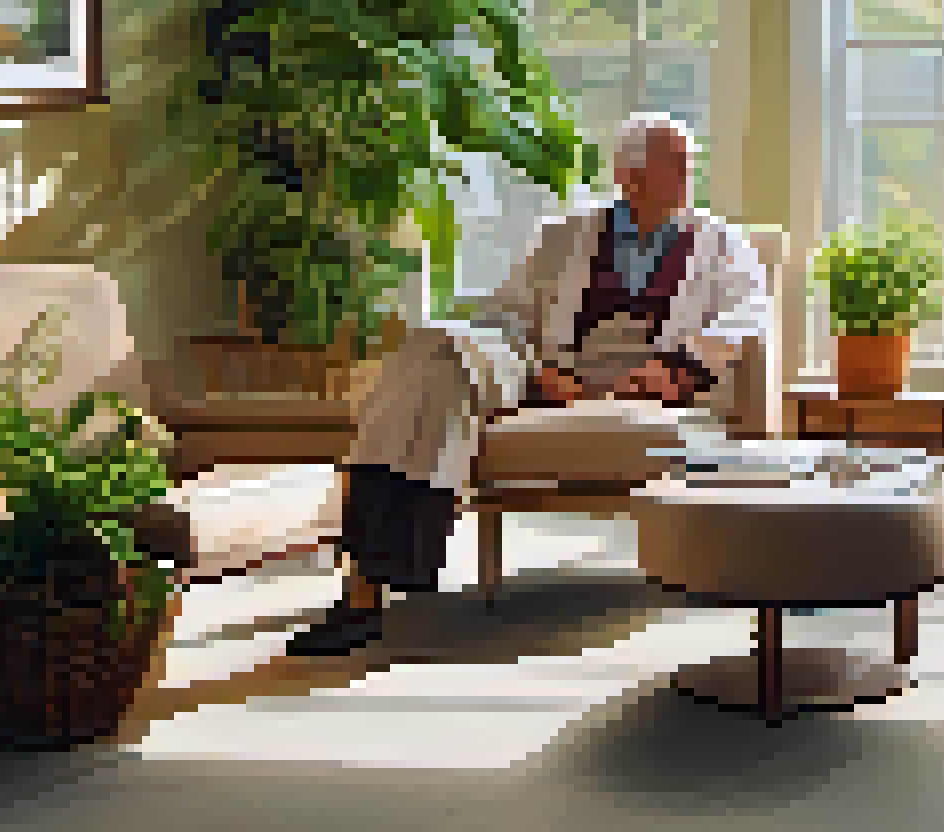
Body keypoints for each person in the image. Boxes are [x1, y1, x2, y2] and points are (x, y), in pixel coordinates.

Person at [287, 113, 773, 655]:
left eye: (689, 163)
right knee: (434, 346)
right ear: (629, 176)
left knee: (430, 390)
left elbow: (749, 315)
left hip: (650, 375)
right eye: (676, 164)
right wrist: (543, 375)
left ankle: (370, 586)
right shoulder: (565, 234)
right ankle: (369, 587)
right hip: (549, 371)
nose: (689, 174)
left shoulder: (720, 242)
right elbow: (505, 315)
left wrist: (680, 369)